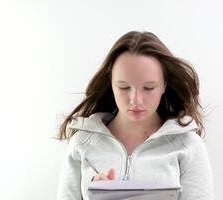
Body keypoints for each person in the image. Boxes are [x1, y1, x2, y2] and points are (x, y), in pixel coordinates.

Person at [56, 31, 214, 200]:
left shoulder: (188, 146)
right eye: (124, 87)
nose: (136, 100)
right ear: (111, 85)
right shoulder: (82, 144)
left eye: (149, 88)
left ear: (164, 85)